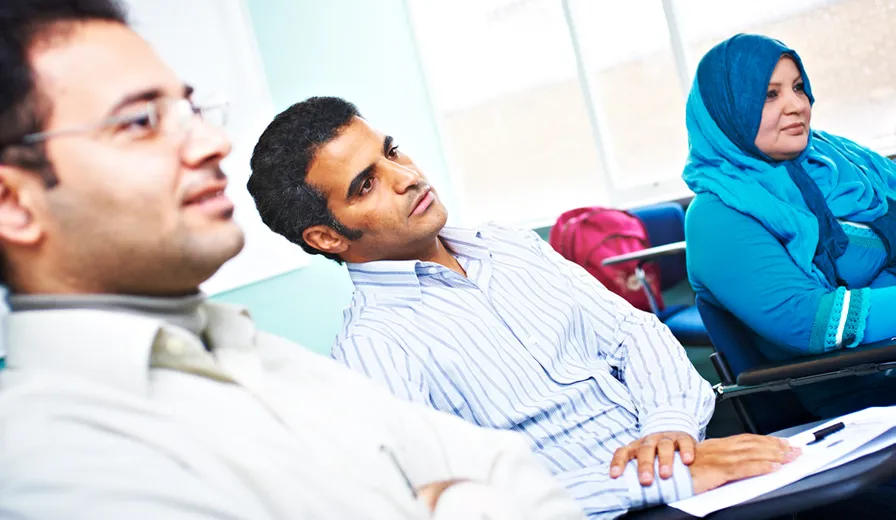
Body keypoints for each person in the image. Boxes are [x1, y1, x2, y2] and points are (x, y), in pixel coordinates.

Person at [0, 2, 593, 519]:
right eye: (138, 122)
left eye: (191, 109)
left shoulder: (263, 356)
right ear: (13, 203)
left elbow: (516, 472)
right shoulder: (38, 460)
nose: (214, 144)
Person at [247, 96, 801, 518]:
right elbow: (468, 504)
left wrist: (670, 431)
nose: (407, 177)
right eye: (367, 184)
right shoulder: (372, 351)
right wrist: (655, 478)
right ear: (327, 237)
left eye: (392, 152)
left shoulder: (508, 245)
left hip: (695, 467)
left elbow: (636, 335)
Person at [682, 33, 896, 419]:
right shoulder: (716, 216)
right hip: (857, 391)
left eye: (798, 88)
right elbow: (808, 320)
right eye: (769, 94)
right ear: (728, 110)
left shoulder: (830, 162)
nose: (797, 105)